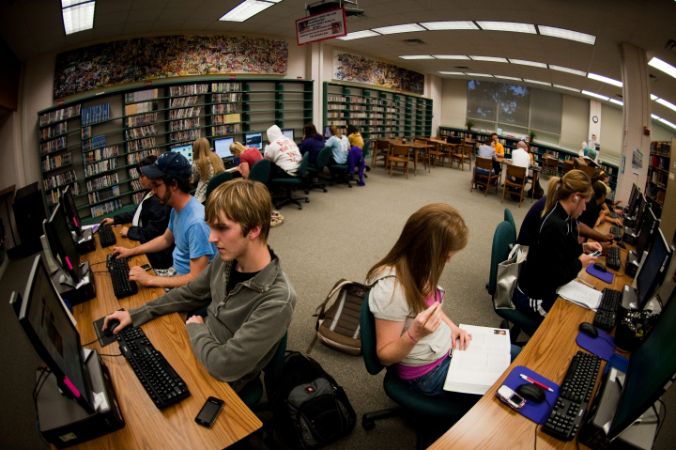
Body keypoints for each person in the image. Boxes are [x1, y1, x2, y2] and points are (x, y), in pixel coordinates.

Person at [103, 179, 296, 392]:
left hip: (224, 383)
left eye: (222, 228)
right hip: (200, 349)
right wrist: (136, 314)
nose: (212, 238)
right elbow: (189, 294)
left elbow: (225, 365)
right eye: (211, 227)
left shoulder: (278, 299)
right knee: (129, 370)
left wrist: (196, 329)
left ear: (253, 230)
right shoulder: (227, 261)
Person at [366, 203, 519, 397]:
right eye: (446, 255)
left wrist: (453, 328)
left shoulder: (420, 266)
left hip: (444, 348)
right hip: (426, 373)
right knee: (507, 386)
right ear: (428, 249)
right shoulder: (391, 291)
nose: (449, 261)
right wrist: (414, 334)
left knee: (515, 356)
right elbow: (385, 356)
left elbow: (431, 306)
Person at [112, 152, 215, 288]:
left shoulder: (196, 223)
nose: (153, 191)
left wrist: (150, 279)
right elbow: (165, 239)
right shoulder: (177, 208)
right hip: (176, 273)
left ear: (173, 184)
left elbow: (196, 279)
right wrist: (130, 251)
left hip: (188, 288)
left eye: (157, 185)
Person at [514, 170, 602, 320]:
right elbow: (555, 276)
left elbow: (562, 251)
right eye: (585, 203)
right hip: (533, 297)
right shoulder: (555, 225)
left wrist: (582, 248)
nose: (585, 208)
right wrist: (580, 263)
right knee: (570, 322)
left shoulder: (565, 216)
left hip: (544, 285)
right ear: (575, 197)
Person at [100, 155, 173, 269]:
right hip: (141, 240)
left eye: (142, 175)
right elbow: (137, 213)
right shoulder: (150, 193)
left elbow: (151, 233)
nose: (140, 179)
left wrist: (130, 231)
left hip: (153, 253)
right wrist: (115, 219)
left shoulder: (159, 201)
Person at [191, 137, 225, 204]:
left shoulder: (197, 163)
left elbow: (194, 180)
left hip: (202, 198)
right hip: (218, 193)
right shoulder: (216, 157)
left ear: (196, 149)